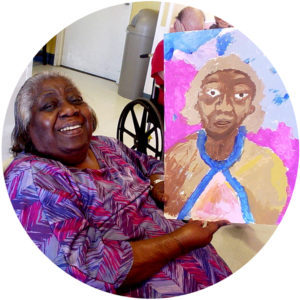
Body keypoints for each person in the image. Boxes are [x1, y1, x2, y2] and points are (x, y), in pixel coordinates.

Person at [5, 72, 231, 298]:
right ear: (27, 128)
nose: (69, 109)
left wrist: (159, 182)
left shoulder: (105, 145)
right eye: (49, 106)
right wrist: (180, 241)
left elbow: (150, 163)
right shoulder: (33, 178)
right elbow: (82, 270)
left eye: (76, 100)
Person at [164, 54, 288, 224]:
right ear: (197, 101)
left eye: (240, 95)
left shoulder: (268, 165)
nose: (224, 107)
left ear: (251, 107)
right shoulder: (178, 155)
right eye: (212, 93)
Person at [151, 7, 206, 107]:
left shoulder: (202, 49)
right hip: (172, 100)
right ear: (178, 26)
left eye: (199, 33)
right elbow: (172, 80)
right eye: (190, 32)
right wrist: (181, 44)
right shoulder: (164, 46)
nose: (195, 38)